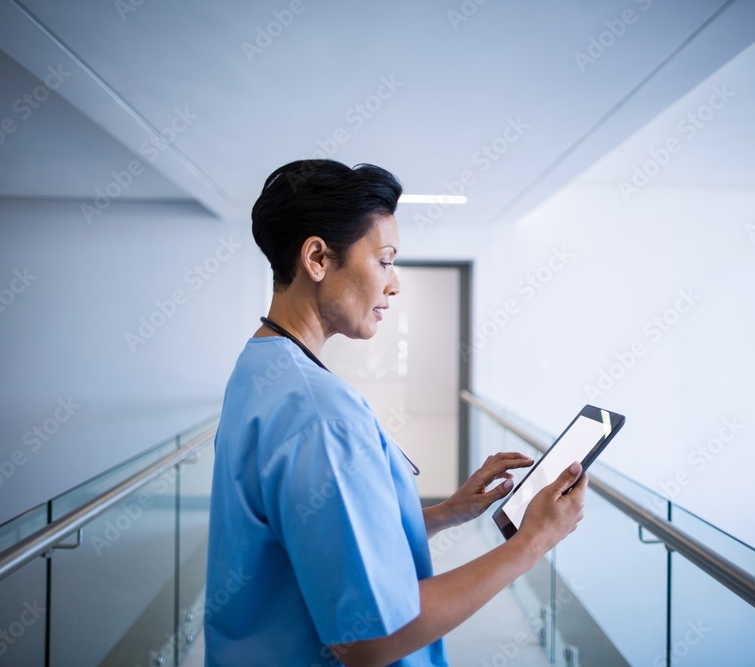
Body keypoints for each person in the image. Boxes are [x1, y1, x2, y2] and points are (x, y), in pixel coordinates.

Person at [204, 159, 588, 667]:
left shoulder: (260, 367)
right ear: (317, 258)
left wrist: (444, 514)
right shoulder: (321, 413)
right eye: (385, 260)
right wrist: (533, 542)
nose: (395, 284)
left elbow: (314, 535)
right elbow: (370, 640)